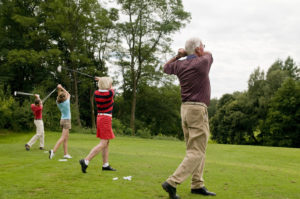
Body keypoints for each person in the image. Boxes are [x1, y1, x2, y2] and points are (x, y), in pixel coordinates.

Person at [161, 37, 216, 199]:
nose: (204, 48)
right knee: (197, 151)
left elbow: (165, 67)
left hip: (185, 110)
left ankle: (197, 184)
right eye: (202, 46)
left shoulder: (180, 64)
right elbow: (209, 53)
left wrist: (180, 55)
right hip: (198, 109)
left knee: (196, 150)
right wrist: (193, 51)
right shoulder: (202, 62)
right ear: (199, 49)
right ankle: (172, 182)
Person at [79, 76, 116, 173]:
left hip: (100, 118)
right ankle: (86, 160)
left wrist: (101, 80)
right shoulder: (110, 93)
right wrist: (102, 79)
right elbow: (112, 87)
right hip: (105, 119)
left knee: (106, 142)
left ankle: (105, 165)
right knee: (103, 143)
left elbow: (105, 87)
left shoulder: (96, 93)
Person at [49, 84, 72, 159]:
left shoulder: (58, 102)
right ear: (64, 98)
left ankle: (65, 154)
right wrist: (61, 87)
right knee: (63, 138)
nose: (65, 95)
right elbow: (69, 94)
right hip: (67, 121)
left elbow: (60, 96)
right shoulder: (66, 102)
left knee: (66, 138)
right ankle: (53, 151)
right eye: (64, 95)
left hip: (62, 120)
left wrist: (59, 89)